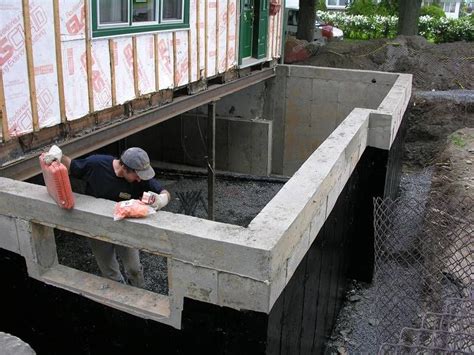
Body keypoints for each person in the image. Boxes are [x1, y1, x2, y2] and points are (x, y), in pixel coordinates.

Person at [44, 145, 170, 288]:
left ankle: (141, 290)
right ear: (125, 168)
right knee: (109, 272)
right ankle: (120, 299)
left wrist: (161, 200)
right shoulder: (96, 165)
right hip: (97, 226)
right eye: (137, 175)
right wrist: (57, 155)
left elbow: (164, 192)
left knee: (134, 268)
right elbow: (71, 165)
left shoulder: (140, 179)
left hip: (125, 227)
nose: (140, 180)